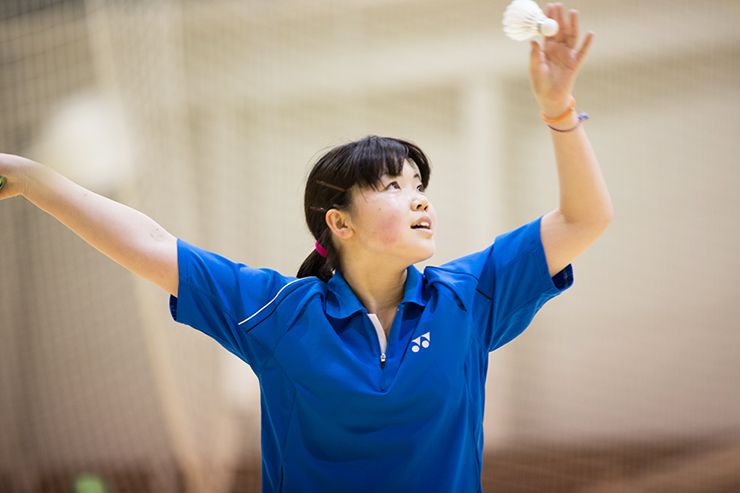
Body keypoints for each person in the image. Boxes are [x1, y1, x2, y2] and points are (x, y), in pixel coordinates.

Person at [0, 4, 612, 492]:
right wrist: (30, 177)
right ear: (338, 224)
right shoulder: (278, 313)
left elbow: (585, 219)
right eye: (394, 186)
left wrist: (559, 110)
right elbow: (151, 242)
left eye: (420, 186)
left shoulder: (471, 295)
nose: (420, 199)